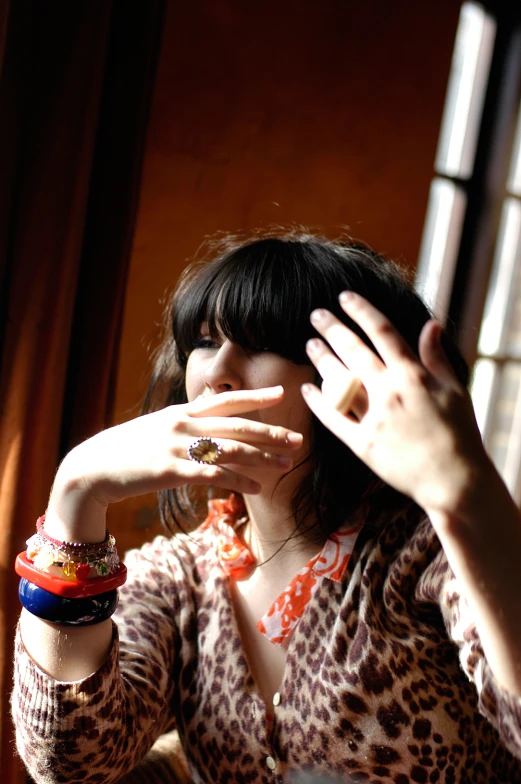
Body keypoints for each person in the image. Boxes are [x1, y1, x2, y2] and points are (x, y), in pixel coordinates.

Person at [11, 232, 521, 784]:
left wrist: (463, 495)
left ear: (351, 381)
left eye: (261, 343)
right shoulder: (180, 578)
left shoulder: (428, 552)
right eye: (205, 342)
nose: (216, 375)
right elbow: (66, 763)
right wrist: (76, 493)